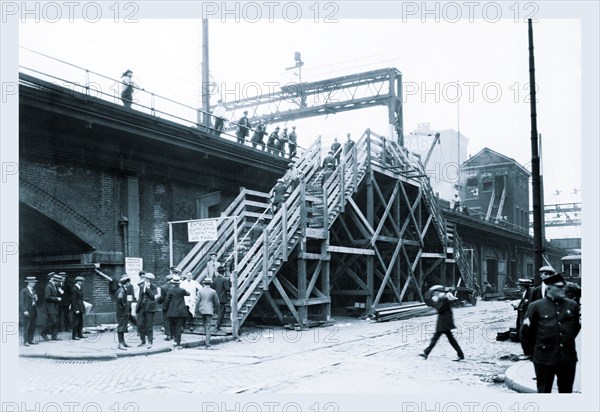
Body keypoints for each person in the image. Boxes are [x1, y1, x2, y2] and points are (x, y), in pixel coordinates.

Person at [520, 273, 581, 393]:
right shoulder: (536, 306)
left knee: (566, 391)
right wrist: (533, 353)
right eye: (559, 286)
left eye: (564, 286)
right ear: (549, 288)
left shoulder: (572, 305)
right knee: (544, 391)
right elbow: (526, 332)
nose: (563, 288)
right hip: (543, 359)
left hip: (567, 358)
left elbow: (576, 327)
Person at [419, 285, 465, 361]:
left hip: (444, 322)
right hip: (444, 322)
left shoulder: (442, 298)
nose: (434, 294)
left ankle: (426, 353)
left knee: (438, 338)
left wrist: (435, 302)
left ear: (438, 291)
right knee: (447, 339)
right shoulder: (443, 297)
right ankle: (426, 353)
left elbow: (440, 309)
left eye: (434, 292)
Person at [164, 275, 190, 349]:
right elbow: (188, 293)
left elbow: (167, 300)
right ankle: (178, 343)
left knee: (172, 325)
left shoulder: (170, 290)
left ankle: (174, 339)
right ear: (179, 283)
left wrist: (167, 307)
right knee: (179, 327)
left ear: (173, 283)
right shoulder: (182, 290)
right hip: (181, 311)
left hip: (172, 311)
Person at [135, 273, 159, 348]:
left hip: (150, 309)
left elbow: (152, 297)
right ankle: (142, 340)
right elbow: (140, 297)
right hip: (142, 308)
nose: (147, 281)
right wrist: (137, 308)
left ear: (151, 280)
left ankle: (150, 341)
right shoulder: (142, 286)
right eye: (146, 279)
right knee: (140, 324)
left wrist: (148, 288)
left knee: (149, 326)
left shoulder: (154, 287)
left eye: (149, 280)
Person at [196, 277, 220, 347]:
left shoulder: (200, 291)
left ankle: (206, 340)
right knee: (208, 326)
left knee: (204, 324)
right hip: (209, 310)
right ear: (210, 284)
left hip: (202, 309)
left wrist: (196, 310)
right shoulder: (213, 291)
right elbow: (217, 302)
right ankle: (207, 342)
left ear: (204, 283)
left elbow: (197, 302)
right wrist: (216, 309)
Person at [511, 278, 533, 346]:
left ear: (523, 286)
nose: (518, 287)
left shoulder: (530, 293)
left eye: (519, 285)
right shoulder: (526, 292)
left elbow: (529, 305)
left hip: (525, 316)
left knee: (525, 333)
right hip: (523, 315)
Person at [19, 276, 39, 346]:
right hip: (27, 311)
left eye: (34, 282)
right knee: (27, 326)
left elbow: (33, 299)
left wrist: (35, 299)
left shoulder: (33, 290)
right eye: (33, 282)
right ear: (29, 283)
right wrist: (24, 310)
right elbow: (21, 302)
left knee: (32, 326)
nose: (34, 283)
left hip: (33, 310)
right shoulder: (24, 291)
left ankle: (31, 340)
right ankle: (26, 341)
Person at [42, 272, 62, 341]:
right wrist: (57, 298)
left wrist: (59, 292)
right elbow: (47, 297)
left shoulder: (54, 286)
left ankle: (54, 336)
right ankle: (43, 332)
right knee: (53, 322)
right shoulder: (49, 286)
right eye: (54, 277)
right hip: (51, 307)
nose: (59, 282)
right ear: (52, 279)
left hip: (54, 307)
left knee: (55, 322)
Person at [212, 266, 231, 331]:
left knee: (219, 310)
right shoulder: (224, 280)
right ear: (223, 272)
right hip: (222, 298)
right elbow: (227, 289)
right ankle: (217, 324)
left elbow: (212, 289)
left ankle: (217, 322)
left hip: (215, 298)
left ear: (218, 272)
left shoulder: (214, 280)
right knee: (221, 311)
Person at [115, 275, 132, 350]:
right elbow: (120, 298)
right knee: (121, 327)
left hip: (122, 311)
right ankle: (120, 344)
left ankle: (123, 342)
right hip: (122, 312)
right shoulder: (122, 289)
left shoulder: (122, 289)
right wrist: (123, 306)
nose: (129, 284)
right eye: (128, 282)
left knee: (122, 327)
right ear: (126, 283)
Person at [157, 273, 174, 341]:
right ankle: (172, 335)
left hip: (165, 306)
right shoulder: (174, 287)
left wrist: (158, 301)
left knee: (166, 321)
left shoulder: (163, 287)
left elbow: (162, 297)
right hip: (173, 307)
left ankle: (168, 335)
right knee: (172, 321)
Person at [70, 276, 86, 341]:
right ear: (78, 281)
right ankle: (74, 335)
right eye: (81, 281)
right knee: (75, 322)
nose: (82, 283)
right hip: (77, 308)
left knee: (80, 322)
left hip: (80, 307)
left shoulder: (79, 288)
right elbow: (74, 300)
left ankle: (80, 334)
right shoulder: (74, 289)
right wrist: (76, 309)